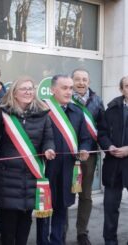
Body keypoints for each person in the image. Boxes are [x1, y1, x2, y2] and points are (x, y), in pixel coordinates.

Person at [0, 76, 56, 245]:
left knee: (25, 225)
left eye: (31, 88)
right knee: (7, 229)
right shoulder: (2, 113)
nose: (28, 92)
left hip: (31, 176)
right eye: (24, 89)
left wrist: (49, 149)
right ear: (14, 92)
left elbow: (48, 138)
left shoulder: (43, 113)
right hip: (7, 178)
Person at [37, 74, 92, 245]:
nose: (69, 92)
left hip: (68, 168)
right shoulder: (42, 109)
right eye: (64, 88)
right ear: (53, 90)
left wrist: (84, 148)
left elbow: (86, 137)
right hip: (46, 167)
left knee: (62, 207)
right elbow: (35, 137)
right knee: (44, 209)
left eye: (70, 88)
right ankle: (42, 241)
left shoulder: (77, 111)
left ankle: (57, 241)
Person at [71, 68, 105, 245]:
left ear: (89, 82)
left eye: (84, 79)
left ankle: (82, 232)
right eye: (77, 79)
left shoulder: (97, 101)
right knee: (63, 193)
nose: (81, 83)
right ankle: (59, 231)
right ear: (72, 81)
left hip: (88, 155)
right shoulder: (65, 99)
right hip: (67, 154)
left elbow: (103, 127)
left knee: (85, 195)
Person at [98, 76, 128, 245]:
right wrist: (108, 146)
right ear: (121, 89)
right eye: (127, 86)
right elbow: (101, 133)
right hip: (113, 165)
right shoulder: (111, 109)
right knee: (110, 207)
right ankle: (110, 241)